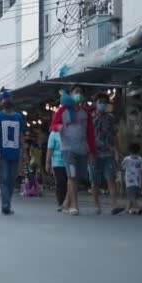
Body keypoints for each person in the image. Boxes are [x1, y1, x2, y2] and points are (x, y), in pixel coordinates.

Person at [50, 86, 96, 216]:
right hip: (68, 149)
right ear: (70, 94)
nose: (79, 94)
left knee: (78, 177)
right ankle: (74, 205)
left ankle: (66, 202)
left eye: (81, 92)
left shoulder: (86, 113)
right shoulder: (63, 110)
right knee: (72, 176)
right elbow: (53, 125)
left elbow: (90, 134)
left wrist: (92, 152)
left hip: (82, 149)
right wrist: (58, 127)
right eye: (76, 92)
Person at [90, 92, 125, 215]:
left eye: (105, 102)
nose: (103, 105)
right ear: (95, 104)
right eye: (100, 102)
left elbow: (114, 135)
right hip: (94, 153)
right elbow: (87, 135)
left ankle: (114, 204)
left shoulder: (110, 118)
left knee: (111, 178)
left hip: (108, 152)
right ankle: (96, 205)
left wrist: (118, 150)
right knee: (95, 181)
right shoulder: (90, 117)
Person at [0, 91, 24, 215]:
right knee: (4, 179)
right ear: (1, 102)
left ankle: (7, 203)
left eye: (8, 98)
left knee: (11, 179)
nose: (6, 100)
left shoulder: (18, 117)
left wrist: (23, 154)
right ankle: (6, 205)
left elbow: (21, 136)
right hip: (2, 154)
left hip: (15, 153)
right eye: (4, 98)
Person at [122, 142, 142, 215]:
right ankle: (127, 209)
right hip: (138, 181)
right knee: (134, 196)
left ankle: (140, 207)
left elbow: (123, 167)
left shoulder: (126, 159)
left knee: (131, 196)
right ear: (138, 151)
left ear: (129, 151)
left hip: (130, 181)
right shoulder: (140, 159)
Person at [46, 130, 68, 212]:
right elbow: (50, 149)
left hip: (69, 161)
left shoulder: (69, 131)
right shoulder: (54, 133)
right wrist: (47, 163)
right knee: (60, 183)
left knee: (69, 182)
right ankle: (60, 203)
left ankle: (68, 202)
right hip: (57, 162)